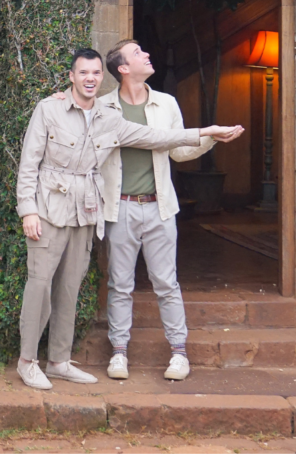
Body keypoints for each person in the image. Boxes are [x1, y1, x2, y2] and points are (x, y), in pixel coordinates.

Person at [16, 48, 244, 390]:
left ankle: (59, 361)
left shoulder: (110, 118)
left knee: (70, 288)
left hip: (85, 213)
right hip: (49, 209)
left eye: (95, 73)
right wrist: (28, 210)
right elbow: (29, 163)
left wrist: (204, 132)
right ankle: (27, 361)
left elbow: (157, 138)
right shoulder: (49, 109)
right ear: (71, 77)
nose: (90, 78)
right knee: (39, 286)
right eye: (83, 73)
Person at [98, 39, 243, 381]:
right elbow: (144, 140)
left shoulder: (166, 103)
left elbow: (178, 152)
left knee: (166, 282)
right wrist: (204, 132)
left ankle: (179, 352)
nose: (147, 54)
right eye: (137, 53)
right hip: (119, 209)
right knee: (120, 284)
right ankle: (118, 353)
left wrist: (209, 140)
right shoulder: (103, 108)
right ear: (122, 68)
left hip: (160, 207)